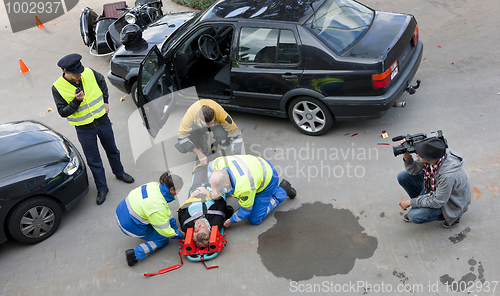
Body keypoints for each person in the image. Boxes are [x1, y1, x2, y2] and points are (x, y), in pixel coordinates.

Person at [52, 53, 134, 205]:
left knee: (112, 150)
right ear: (65, 71)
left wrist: (105, 101)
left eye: (79, 71)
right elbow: (62, 111)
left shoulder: (88, 72)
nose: (79, 75)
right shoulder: (58, 87)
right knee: (93, 160)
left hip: (102, 121)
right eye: (75, 73)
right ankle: (102, 188)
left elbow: (102, 81)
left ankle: (120, 173)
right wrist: (76, 102)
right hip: (84, 129)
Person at [397, 137, 471, 228]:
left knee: (414, 216)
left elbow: (438, 201)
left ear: (429, 158)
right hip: (434, 185)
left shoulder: (448, 175)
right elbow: (413, 170)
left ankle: (453, 216)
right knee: (403, 177)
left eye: (419, 155)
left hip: (450, 201)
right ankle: (420, 205)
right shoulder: (435, 153)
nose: (416, 156)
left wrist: (411, 202)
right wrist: (406, 154)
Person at [206, 155, 297, 228]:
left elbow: (246, 209)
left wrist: (232, 220)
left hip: (269, 180)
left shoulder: (243, 187)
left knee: (254, 219)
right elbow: (210, 166)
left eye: (216, 186)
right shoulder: (220, 163)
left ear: (226, 184)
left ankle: (282, 190)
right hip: (257, 167)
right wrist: (214, 188)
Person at [115, 171, 184, 266]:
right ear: (172, 189)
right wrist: (179, 234)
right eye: (178, 191)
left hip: (122, 209)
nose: (178, 193)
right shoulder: (156, 206)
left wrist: (174, 225)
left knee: (158, 218)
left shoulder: (156, 186)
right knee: (163, 239)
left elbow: (165, 210)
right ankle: (135, 253)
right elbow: (165, 231)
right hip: (129, 224)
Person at [177, 163, 233, 248]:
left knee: (200, 168)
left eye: (196, 230)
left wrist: (192, 196)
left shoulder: (187, 225)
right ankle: (214, 156)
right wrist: (207, 193)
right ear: (209, 229)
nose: (198, 225)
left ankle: (201, 158)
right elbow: (221, 202)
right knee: (215, 173)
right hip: (212, 188)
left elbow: (181, 210)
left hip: (195, 190)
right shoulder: (216, 221)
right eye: (202, 227)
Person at [175, 99, 243, 165]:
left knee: (221, 134)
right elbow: (181, 137)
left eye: (210, 123)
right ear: (199, 118)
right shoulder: (190, 114)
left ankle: (220, 146)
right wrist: (199, 153)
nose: (208, 126)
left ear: (214, 116)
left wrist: (236, 156)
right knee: (182, 147)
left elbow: (236, 134)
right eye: (206, 124)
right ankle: (200, 144)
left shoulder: (220, 113)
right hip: (197, 128)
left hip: (215, 126)